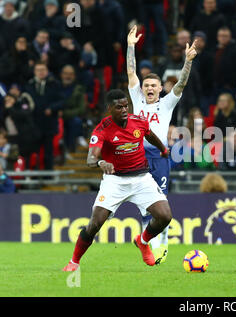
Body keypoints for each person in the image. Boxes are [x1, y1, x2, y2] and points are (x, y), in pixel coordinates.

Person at [62, 89, 172, 272]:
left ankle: (142, 241)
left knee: (165, 216)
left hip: (141, 178)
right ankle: (74, 262)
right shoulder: (102, 129)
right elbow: (90, 158)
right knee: (95, 224)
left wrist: (163, 149)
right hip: (115, 181)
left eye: (126, 106)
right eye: (118, 107)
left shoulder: (138, 121)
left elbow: (150, 134)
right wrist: (101, 162)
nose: (123, 110)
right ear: (109, 108)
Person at [126, 25, 198, 264]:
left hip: (159, 157)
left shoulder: (166, 104)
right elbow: (131, 72)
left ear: (160, 89)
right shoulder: (136, 99)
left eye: (153, 86)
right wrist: (130, 46)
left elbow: (182, 84)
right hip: (137, 156)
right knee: (144, 205)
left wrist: (187, 62)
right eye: (146, 85)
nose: (148, 88)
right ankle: (151, 245)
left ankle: (162, 242)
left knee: (162, 202)